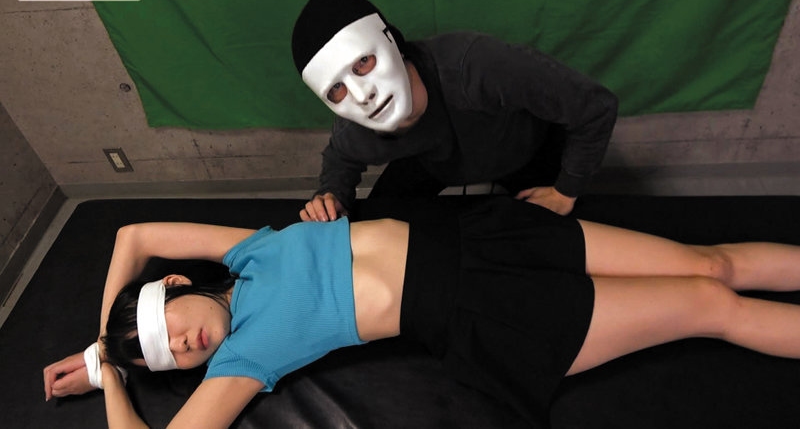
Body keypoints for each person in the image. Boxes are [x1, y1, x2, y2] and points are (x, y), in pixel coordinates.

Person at [43, 197, 800, 427]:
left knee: (712, 262)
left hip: (487, 237)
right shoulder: (244, 359)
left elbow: (132, 235)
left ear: (176, 284)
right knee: (710, 303)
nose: (185, 344)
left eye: (168, 326)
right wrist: (110, 366)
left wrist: (106, 328)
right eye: (174, 355)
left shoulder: (249, 250)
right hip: (489, 311)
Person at [291, 0, 618, 221]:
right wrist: (332, 196)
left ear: (392, 41)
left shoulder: (476, 67)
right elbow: (341, 156)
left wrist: (566, 190)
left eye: (363, 62)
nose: (362, 95)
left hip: (523, 149)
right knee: (376, 224)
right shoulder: (356, 130)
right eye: (336, 88)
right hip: (433, 161)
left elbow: (594, 106)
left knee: (571, 233)